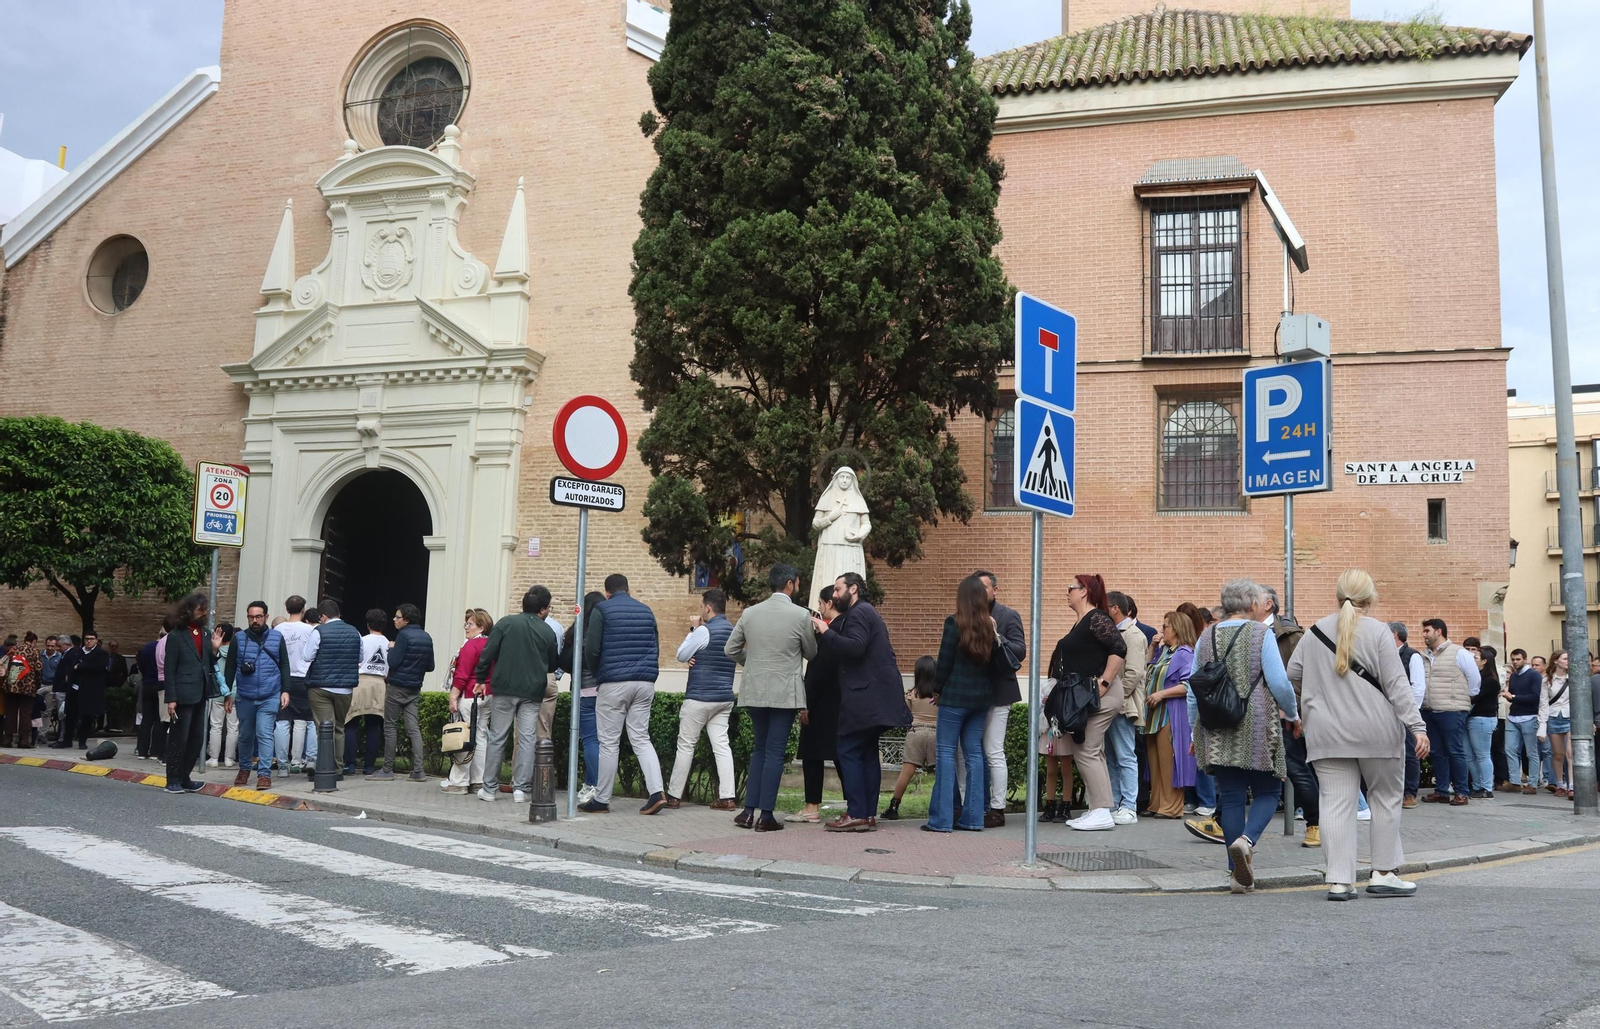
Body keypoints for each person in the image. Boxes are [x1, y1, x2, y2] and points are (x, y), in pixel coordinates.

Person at [1287, 569, 1430, 900]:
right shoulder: (1379, 632)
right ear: (1371, 598)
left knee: (1335, 804)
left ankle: (1339, 880)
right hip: (1377, 731)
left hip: (1326, 733)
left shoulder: (1314, 632)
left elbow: (1292, 674)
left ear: (1337, 597)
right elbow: (1397, 686)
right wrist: (1417, 726)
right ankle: (1383, 873)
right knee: (1385, 800)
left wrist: (1312, 703)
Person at [1188, 579, 1300, 894]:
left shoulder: (1205, 636)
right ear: (1252, 605)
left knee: (1232, 797)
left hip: (1216, 725)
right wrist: (1292, 714)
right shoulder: (1261, 634)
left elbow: (1193, 690)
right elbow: (1279, 682)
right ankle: (1246, 842)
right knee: (1269, 792)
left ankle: (1236, 874)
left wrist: (1194, 728)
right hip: (1257, 724)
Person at [813, 571, 910, 832]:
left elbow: (856, 647)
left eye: (837, 589)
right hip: (875, 696)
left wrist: (825, 631)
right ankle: (866, 815)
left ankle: (857, 812)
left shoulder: (860, 613)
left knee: (848, 749)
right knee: (867, 753)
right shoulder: (865, 613)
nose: (833, 595)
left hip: (865, 696)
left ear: (853, 589)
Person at [724, 564, 817, 830]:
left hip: (755, 688)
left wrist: (752, 662)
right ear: (790, 584)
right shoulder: (800, 615)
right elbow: (811, 653)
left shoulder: (750, 613)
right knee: (775, 753)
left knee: (759, 751)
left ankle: (747, 812)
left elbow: (730, 648)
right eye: (797, 583)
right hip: (784, 691)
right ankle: (766, 816)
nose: (797, 587)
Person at [923, 575, 1009, 833]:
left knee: (946, 753)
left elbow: (944, 661)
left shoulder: (953, 623)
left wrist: (936, 689)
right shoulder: (989, 625)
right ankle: (973, 818)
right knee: (975, 754)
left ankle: (941, 820)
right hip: (981, 699)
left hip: (955, 698)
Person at [1042, 573, 1127, 832]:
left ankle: (1101, 811)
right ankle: (1099, 809)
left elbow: (1119, 648)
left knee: (1086, 749)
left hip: (1100, 694)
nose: (1067, 591)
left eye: (1071, 587)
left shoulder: (1097, 618)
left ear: (1084, 591)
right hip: (1087, 695)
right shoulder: (1081, 622)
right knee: (1091, 750)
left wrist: (1103, 683)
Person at [580, 574, 668, 815]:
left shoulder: (602, 610)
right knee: (641, 738)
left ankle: (602, 799)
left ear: (607, 592)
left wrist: (600, 674)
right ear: (628, 590)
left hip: (614, 683)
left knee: (608, 742)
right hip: (645, 682)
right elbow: (656, 646)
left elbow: (592, 648)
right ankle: (657, 792)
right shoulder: (646, 610)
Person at [477, 585, 562, 805]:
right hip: (532, 691)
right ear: (543, 609)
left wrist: (480, 679)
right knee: (526, 739)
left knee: (497, 737)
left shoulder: (505, 623)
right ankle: (521, 790)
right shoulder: (546, 631)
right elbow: (553, 663)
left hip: (504, 688)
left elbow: (488, 653)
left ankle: (489, 789)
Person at [667, 588, 738, 810]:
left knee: (686, 746)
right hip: (724, 697)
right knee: (722, 746)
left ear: (707, 608)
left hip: (700, 696)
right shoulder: (734, 631)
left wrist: (693, 629)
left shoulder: (704, 631)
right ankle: (727, 797)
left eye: (701, 607)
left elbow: (681, 655)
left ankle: (674, 796)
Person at [1264, 586, 1318, 849]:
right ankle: (1220, 818)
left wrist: (1293, 709)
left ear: (1267, 604)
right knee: (1243, 767)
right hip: (1256, 713)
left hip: (1284, 712)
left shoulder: (1291, 635)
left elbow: (1303, 677)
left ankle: (1315, 823)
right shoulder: (1247, 631)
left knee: (1296, 768)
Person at [975, 571, 1026, 827]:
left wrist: (997, 636)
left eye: (984, 587)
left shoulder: (1007, 615)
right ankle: (973, 803)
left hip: (999, 692)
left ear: (996, 589)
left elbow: (1020, 651)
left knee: (993, 750)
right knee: (970, 750)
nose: (979, 592)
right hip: (973, 693)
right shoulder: (967, 616)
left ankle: (997, 809)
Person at [223, 602, 290, 789]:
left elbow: (285, 665)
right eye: (251, 617)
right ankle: (244, 769)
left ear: (266, 617)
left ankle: (264, 774)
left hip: (270, 694)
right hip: (245, 695)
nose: (255, 620)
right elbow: (230, 667)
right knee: (245, 735)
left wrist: (286, 690)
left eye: (258, 616)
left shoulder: (277, 638)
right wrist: (227, 693)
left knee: (264, 733)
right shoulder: (239, 638)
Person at [796, 587, 845, 823]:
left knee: (812, 754)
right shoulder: (846, 628)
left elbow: (816, 672)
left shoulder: (829, 633)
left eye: (820, 603)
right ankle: (854, 804)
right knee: (842, 755)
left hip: (821, 703)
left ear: (828, 603)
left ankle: (811, 806)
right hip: (841, 702)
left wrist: (806, 704)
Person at [1419, 618, 1481, 806]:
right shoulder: (1423, 655)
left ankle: (1462, 791)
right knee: (1437, 752)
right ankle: (1442, 790)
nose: (1424, 634)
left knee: (1455, 751)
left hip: (1452, 710)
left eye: (1427, 631)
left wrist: (1461, 699)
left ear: (1439, 631)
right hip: (1430, 709)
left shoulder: (1459, 652)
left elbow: (1474, 681)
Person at [1144, 611, 1198, 819]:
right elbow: (1148, 671)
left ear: (1176, 629)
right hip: (1156, 714)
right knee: (1155, 760)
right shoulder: (1164, 652)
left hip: (1172, 713)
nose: (1162, 630)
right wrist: (1151, 648)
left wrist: (1161, 694)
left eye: (1165, 626)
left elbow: (1189, 684)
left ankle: (1172, 806)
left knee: (1170, 760)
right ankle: (1157, 802)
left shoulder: (1185, 653)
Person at [163, 593, 217, 795]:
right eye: (200, 610)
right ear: (189, 611)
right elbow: (170, 668)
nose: (204, 613)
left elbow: (208, 661)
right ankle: (173, 779)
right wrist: (171, 698)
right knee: (179, 739)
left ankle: (185, 777)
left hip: (201, 692)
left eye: (205, 609)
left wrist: (215, 649)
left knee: (196, 738)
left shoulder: (205, 633)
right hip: (182, 694)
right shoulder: (176, 636)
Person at [302, 598, 361, 775]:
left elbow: (307, 656)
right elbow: (360, 658)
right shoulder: (355, 632)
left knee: (324, 728)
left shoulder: (319, 631)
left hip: (321, 686)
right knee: (339, 728)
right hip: (345, 688)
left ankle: (325, 768)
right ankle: (338, 768)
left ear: (324, 617)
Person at [377, 602, 434, 781]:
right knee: (413, 728)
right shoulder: (426, 637)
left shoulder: (403, 637)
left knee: (391, 726)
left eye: (397, 617)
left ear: (406, 619)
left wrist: (391, 649)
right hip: (414, 687)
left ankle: (387, 769)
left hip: (397, 686)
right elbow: (431, 666)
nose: (394, 620)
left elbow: (393, 662)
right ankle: (418, 770)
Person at [558, 592, 605, 805]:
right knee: (605, 741)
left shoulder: (577, 632)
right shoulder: (607, 630)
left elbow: (565, 661)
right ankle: (591, 782)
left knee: (590, 739)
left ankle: (595, 784)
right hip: (607, 690)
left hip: (585, 690)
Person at [1105, 591, 1147, 826]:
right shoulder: (1117, 632)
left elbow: (1133, 673)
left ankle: (1128, 806)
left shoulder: (1132, 635)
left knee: (1125, 756)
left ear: (1114, 609)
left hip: (1122, 706)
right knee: (1111, 757)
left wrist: (1116, 698)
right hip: (1113, 704)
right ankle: (1114, 803)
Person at [442, 608, 494, 794]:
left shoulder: (470, 646)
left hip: (470, 696)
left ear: (480, 626)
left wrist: (453, 696)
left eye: (469, 624)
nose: (466, 627)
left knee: (463, 736)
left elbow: (462, 675)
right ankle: (478, 780)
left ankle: (459, 782)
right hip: (488, 695)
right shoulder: (492, 644)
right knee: (479, 736)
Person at [883, 656, 937, 820]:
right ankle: (944, 806)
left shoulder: (912, 694)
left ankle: (894, 807)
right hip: (937, 734)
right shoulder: (940, 695)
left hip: (915, 733)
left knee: (906, 773)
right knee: (942, 773)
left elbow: (903, 714)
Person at [1175, 602, 1217, 815]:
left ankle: (1207, 800)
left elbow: (1191, 684)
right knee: (1191, 752)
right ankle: (1194, 798)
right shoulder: (1191, 646)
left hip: (1200, 704)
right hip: (1193, 704)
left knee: (1200, 750)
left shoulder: (1200, 645)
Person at [275, 596, 318, 774]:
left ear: (286, 609)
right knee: (311, 721)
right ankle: (311, 760)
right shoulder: (310, 630)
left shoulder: (278, 629)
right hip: (305, 678)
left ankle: (283, 765)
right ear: (303, 610)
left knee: (282, 721)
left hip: (283, 678)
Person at [347, 609, 390, 776]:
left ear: (368, 624)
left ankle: (350, 764)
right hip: (380, 683)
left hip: (360, 681)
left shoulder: (362, 640)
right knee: (374, 725)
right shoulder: (388, 643)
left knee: (351, 723)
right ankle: (369, 766)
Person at [1389, 622, 1427, 807]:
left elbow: (1418, 687)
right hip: (1387, 713)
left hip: (1405, 713)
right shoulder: (1386, 656)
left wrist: (1411, 713)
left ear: (1394, 634)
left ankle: (1410, 793)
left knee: (1410, 753)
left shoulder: (1412, 656)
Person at [57, 631, 113, 750]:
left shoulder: (101, 653)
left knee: (87, 717)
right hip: (74, 688)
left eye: (91, 639)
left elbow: (98, 668)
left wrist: (81, 666)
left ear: (96, 640)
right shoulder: (78, 652)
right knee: (70, 715)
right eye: (87, 639)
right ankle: (67, 740)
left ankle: (82, 741)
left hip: (90, 691)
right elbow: (72, 667)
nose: (89, 641)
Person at [1502, 648, 1542, 795]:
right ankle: (1514, 781)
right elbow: (1513, 693)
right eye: (1513, 659)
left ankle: (1532, 783)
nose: (1515, 662)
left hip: (1529, 716)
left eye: (1518, 659)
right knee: (1510, 749)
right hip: (1514, 716)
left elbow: (1535, 696)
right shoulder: (1513, 676)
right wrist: (1509, 696)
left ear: (1525, 659)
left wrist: (1514, 697)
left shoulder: (1534, 675)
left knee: (1531, 752)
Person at [1467, 643, 1501, 799]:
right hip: (1473, 718)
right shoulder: (1479, 677)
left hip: (1482, 719)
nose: (1473, 659)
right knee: (1469, 755)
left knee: (1482, 755)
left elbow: (1475, 697)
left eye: (1476, 657)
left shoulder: (1489, 680)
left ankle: (1487, 787)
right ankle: (1477, 785)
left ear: (1484, 661)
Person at [1540, 650, 1574, 798]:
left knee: (1570, 753)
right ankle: (1560, 784)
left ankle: (1572, 785)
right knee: (1558, 754)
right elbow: (1543, 704)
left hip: (1571, 717)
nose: (1568, 661)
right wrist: (1542, 725)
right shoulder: (1547, 680)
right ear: (1556, 661)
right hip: (1553, 717)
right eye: (1565, 658)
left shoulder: (1573, 678)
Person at [134, 623, 170, 760]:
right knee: (159, 719)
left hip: (147, 684)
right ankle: (155, 750)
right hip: (161, 685)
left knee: (146, 718)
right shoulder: (166, 647)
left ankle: (142, 750)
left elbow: (141, 666)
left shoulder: (147, 647)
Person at [206, 623, 239, 769]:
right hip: (234, 693)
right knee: (233, 728)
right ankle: (229, 759)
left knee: (216, 727)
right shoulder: (237, 652)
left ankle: (213, 758)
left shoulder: (214, 652)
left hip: (217, 693)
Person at [2, 632, 42, 747]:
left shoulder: (14, 649)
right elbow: (39, 669)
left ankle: (7, 739)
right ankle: (24, 740)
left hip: (11, 685)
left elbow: (6, 665)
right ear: (34, 641)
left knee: (10, 712)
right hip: (27, 686)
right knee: (25, 713)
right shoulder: (34, 652)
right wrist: (37, 684)